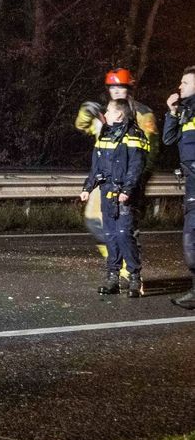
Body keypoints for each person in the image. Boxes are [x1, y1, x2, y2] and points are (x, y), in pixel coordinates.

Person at [75, 68, 158, 277]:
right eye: (113, 87)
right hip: (106, 181)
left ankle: (131, 274)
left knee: (126, 230)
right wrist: (87, 110)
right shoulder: (104, 113)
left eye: (121, 87)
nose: (117, 91)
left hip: (129, 183)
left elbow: (149, 153)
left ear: (129, 89)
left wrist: (136, 184)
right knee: (99, 224)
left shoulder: (142, 113)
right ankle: (115, 269)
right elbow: (83, 125)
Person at [80, 98, 148, 297]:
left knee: (124, 235)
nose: (105, 114)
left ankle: (135, 279)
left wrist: (127, 190)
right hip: (107, 193)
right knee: (110, 235)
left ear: (119, 114)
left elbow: (136, 167)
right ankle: (113, 278)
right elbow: (96, 167)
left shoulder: (135, 135)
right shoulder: (105, 135)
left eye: (108, 111)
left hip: (125, 195)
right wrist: (88, 187)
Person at [162, 66, 195, 308]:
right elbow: (168, 139)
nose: (179, 86)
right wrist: (172, 112)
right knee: (191, 239)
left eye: (184, 82)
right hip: (191, 184)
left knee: (191, 238)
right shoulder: (185, 112)